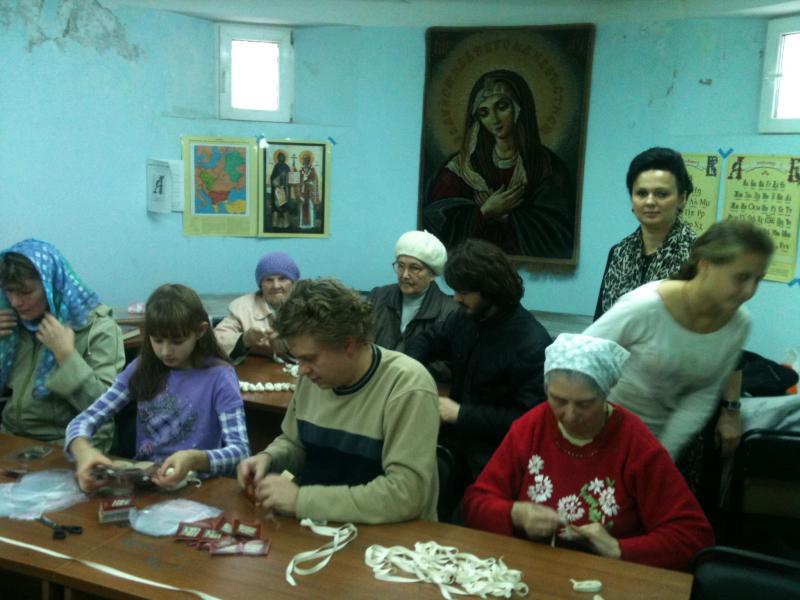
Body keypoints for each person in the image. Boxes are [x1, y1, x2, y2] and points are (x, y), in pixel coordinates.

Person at [462, 333, 714, 571]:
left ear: (605, 395)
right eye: (558, 400)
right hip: (531, 570)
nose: (570, 416)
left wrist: (619, 549)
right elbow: (475, 503)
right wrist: (515, 514)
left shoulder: (635, 444)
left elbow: (693, 536)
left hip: (607, 578)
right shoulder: (531, 427)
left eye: (584, 404)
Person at [236, 278, 439, 524]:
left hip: (387, 536)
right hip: (320, 526)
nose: (302, 370)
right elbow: (296, 443)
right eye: (297, 359)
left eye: (310, 358)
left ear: (348, 345)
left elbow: (406, 494)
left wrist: (302, 501)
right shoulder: (314, 377)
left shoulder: (407, 385)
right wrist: (270, 458)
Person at [584, 220, 774, 483]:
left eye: (758, 279)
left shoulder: (739, 324)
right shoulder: (646, 306)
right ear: (705, 265)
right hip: (600, 433)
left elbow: (702, 394)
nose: (750, 291)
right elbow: (581, 359)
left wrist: (661, 454)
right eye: (741, 277)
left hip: (655, 446)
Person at [405, 238, 552, 518]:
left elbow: (527, 421)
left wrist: (461, 413)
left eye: (463, 292)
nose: (456, 298)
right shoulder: (466, 318)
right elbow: (427, 340)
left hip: (494, 461)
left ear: (490, 289)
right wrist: (409, 371)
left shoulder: (531, 343)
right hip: (454, 447)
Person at [66, 284, 250, 492]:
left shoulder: (220, 376)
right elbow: (84, 420)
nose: (165, 351)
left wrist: (194, 459)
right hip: (148, 483)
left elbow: (240, 451)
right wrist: (83, 451)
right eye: (157, 340)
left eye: (177, 341)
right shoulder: (142, 368)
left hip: (198, 488)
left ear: (200, 331)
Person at [423, 69, 575, 259]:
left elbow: (559, 234)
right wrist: (485, 211)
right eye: (484, 112)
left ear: (520, 108)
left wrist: (506, 216)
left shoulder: (547, 167)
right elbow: (433, 224)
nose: (494, 119)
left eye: (502, 107)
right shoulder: (461, 168)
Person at [0, 239, 124, 451]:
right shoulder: (13, 323)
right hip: (12, 437)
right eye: (8, 291)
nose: (15, 302)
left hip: (69, 442)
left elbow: (104, 408)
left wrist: (66, 356)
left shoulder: (98, 329)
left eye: (26, 292)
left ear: (52, 286)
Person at [594, 147, 698, 320]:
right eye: (641, 193)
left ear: (682, 198)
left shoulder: (699, 256)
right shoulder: (618, 253)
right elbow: (600, 322)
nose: (649, 201)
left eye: (661, 194)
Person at [367, 230, 458, 381]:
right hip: (373, 382)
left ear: (432, 274)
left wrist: (407, 372)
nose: (404, 275)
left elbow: (451, 365)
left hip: (418, 386)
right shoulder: (378, 297)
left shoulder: (450, 312)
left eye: (414, 268)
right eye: (400, 266)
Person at [214, 251, 300, 361]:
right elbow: (217, 340)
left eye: (282, 278)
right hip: (258, 369)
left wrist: (289, 343)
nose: (276, 285)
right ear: (261, 285)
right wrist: (244, 340)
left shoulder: (309, 304)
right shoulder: (243, 307)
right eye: (269, 280)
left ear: (293, 282)